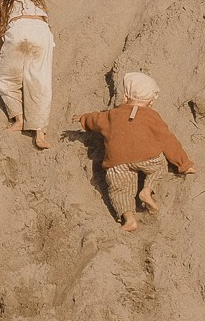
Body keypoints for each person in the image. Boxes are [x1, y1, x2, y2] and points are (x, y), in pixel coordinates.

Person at [78, 72, 196, 232]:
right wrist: (184, 164)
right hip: (147, 157)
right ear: (152, 101)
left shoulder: (111, 115)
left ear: (125, 98)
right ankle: (147, 190)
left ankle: (129, 219)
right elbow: (168, 141)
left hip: (118, 162)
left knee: (119, 190)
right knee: (160, 165)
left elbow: (95, 119)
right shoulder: (153, 116)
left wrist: (83, 119)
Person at [0, 0, 55, 150]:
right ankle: (40, 132)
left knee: (6, 79)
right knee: (40, 82)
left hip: (18, 31)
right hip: (42, 34)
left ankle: (19, 119)